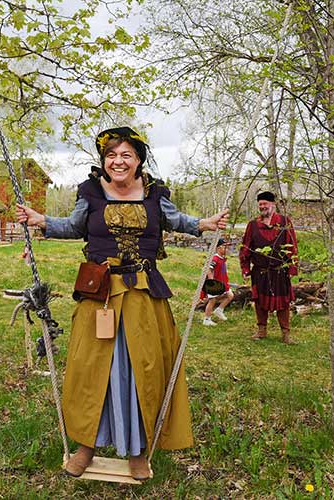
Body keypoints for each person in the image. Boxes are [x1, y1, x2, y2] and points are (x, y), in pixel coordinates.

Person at [16, 126, 228, 480]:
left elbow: (176, 221)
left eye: (126, 155)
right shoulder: (90, 192)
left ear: (139, 160)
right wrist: (42, 222)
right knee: (92, 370)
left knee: (142, 370)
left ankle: (138, 451)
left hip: (143, 295)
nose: (118, 161)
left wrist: (205, 224)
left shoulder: (155, 194)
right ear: (103, 161)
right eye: (111, 155)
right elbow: (73, 226)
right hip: (98, 295)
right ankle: (86, 446)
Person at [239, 191, 298, 344]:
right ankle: (261, 330)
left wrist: (292, 268)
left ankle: (285, 334)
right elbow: (245, 247)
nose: (262, 207)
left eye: (265, 204)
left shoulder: (285, 222)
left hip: (280, 270)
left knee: (284, 303)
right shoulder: (253, 225)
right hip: (260, 271)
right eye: (260, 205)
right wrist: (245, 268)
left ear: (273, 204)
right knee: (259, 302)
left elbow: (293, 246)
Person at [201, 238, 234, 326]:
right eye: (225, 247)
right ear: (219, 248)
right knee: (212, 300)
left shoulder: (222, 258)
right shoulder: (215, 259)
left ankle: (219, 310)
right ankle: (206, 319)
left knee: (230, 295)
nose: (227, 249)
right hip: (215, 283)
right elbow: (208, 269)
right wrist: (212, 281)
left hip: (223, 282)